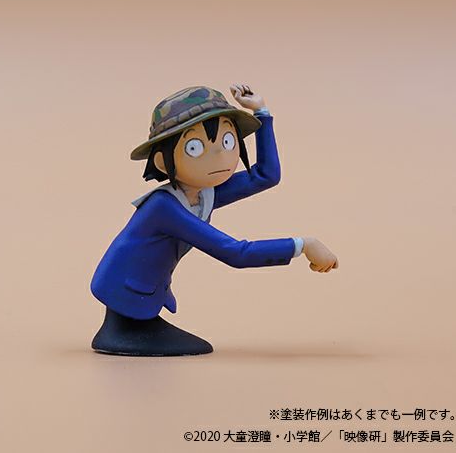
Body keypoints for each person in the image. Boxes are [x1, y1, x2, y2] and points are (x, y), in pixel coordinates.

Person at [90, 84, 338, 356]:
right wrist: (302, 245)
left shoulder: (201, 193)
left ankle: (138, 327)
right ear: (162, 162)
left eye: (228, 141)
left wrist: (262, 113)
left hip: (144, 292)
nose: (220, 155)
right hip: (125, 293)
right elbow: (236, 253)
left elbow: (265, 175)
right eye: (195, 148)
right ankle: (125, 332)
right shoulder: (163, 208)